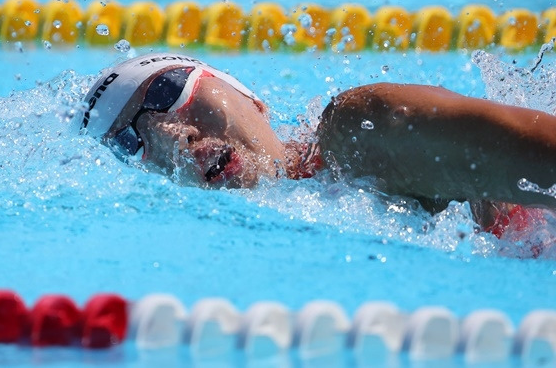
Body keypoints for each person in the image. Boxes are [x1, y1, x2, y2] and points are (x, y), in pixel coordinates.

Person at [80, 52, 556, 239]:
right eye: (128, 142)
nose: (168, 135)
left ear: (251, 97)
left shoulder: (359, 132)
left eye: (169, 92)